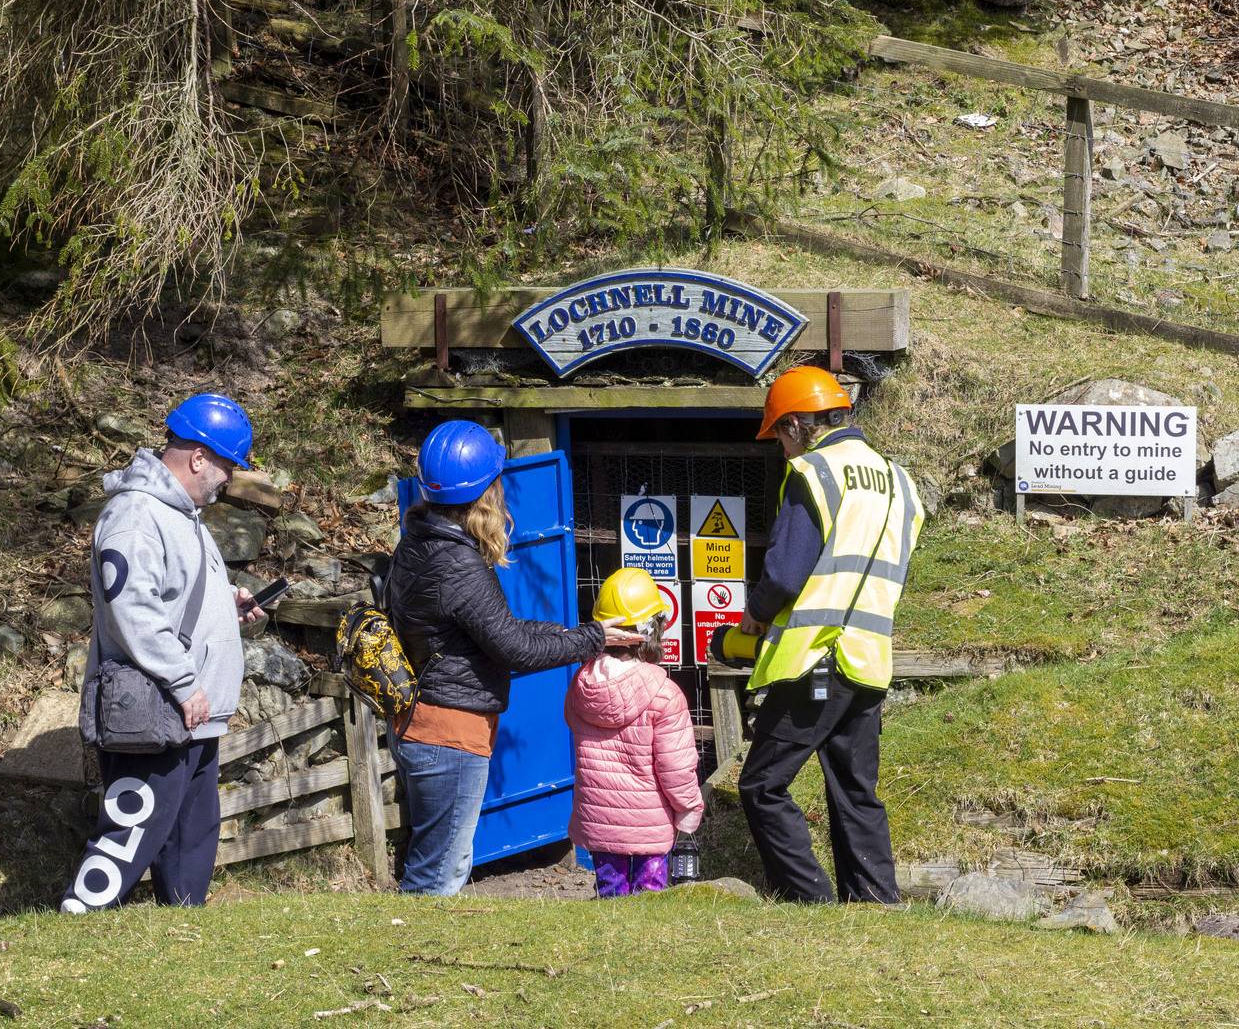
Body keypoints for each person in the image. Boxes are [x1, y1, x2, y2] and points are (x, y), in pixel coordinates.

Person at [387, 419, 640, 895]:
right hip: (450, 732)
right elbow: (514, 648)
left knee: (435, 861)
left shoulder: (418, 543)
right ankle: (413, 958)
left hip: (421, 721)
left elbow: (497, 630)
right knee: (439, 873)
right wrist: (592, 639)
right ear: (488, 491)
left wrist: (578, 633)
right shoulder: (458, 562)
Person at [62, 394, 267, 912]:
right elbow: (132, 610)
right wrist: (182, 681)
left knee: (190, 835)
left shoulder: (182, 516)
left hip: (189, 711)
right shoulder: (136, 515)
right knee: (132, 830)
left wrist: (229, 607)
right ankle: (77, 918)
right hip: (156, 711)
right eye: (226, 465)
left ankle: (181, 930)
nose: (229, 478)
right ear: (199, 457)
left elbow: (173, 599)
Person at [736, 365, 924, 904]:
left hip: (817, 655)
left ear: (797, 424)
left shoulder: (814, 473)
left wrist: (755, 614)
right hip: (869, 659)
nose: (780, 449)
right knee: (855, 790)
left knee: (762, 785)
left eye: (778, 435)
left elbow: (785, 573)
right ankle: (874, 902)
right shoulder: (899, 480)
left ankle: (810, 899)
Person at [565, 567, 704, 898]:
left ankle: (609, 945)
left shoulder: (581, 687)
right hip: (650, 824)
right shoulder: (665, 694)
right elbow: (676, 768)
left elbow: (572, 724)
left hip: (598, 819)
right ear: (652, 630)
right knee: (649, 900)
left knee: (611, 897)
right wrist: (688, 810)